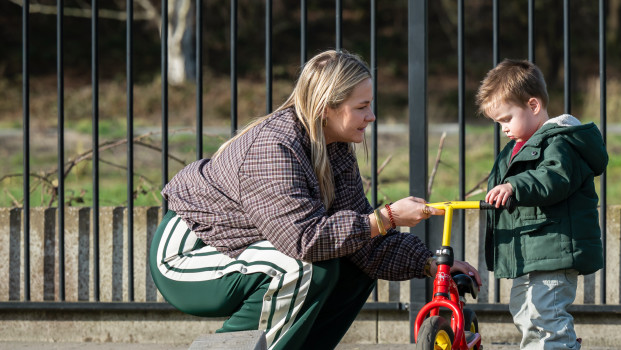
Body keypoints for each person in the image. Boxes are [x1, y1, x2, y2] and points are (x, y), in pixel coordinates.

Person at [149, 49, 479, 350]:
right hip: (188, 257)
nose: (372, 116)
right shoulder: (274, 149)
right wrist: (387, 217)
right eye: (362, 107)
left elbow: (363, 239)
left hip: (242, 252)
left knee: (351, 262)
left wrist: (430, 265)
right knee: (305, 267)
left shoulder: (334, 148)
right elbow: (303, 241)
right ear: (326, 108)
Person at [477, 59, 608, 350]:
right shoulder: (514, 148)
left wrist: (514, 186)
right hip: (530, 251)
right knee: (525, 312)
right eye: (498, 123)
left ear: (533, 105)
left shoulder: (559, 143)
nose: (503, 129)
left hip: (554, 250)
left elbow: (554, 178)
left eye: (506, 120)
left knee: (545, 314)